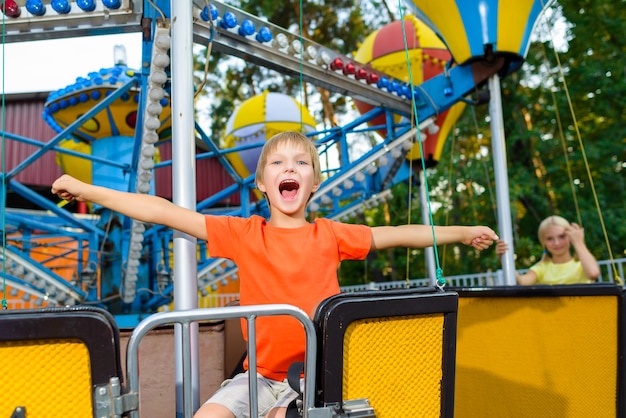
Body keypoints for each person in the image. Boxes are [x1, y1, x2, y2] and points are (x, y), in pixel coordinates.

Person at [52, 131, 498, 418]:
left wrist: (459, 233)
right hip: (257, 377)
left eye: (301, 163)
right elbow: (164, 211)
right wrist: (87, 189)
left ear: (314, 182)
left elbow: (396, 234)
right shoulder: (244, 233)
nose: (290, 168)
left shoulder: (330, 234)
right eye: (278, 163)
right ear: (262, 184)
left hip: (315, 376)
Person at [496, 215, 600, 285]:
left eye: (561, 236)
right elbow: (522, 282)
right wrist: (504, 259)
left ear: (570, 237)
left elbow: (593, 273)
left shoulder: (581, 265)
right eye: (550, 239)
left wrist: (579, 242)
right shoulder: (541, 268)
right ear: (544, 243)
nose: (557, 243)